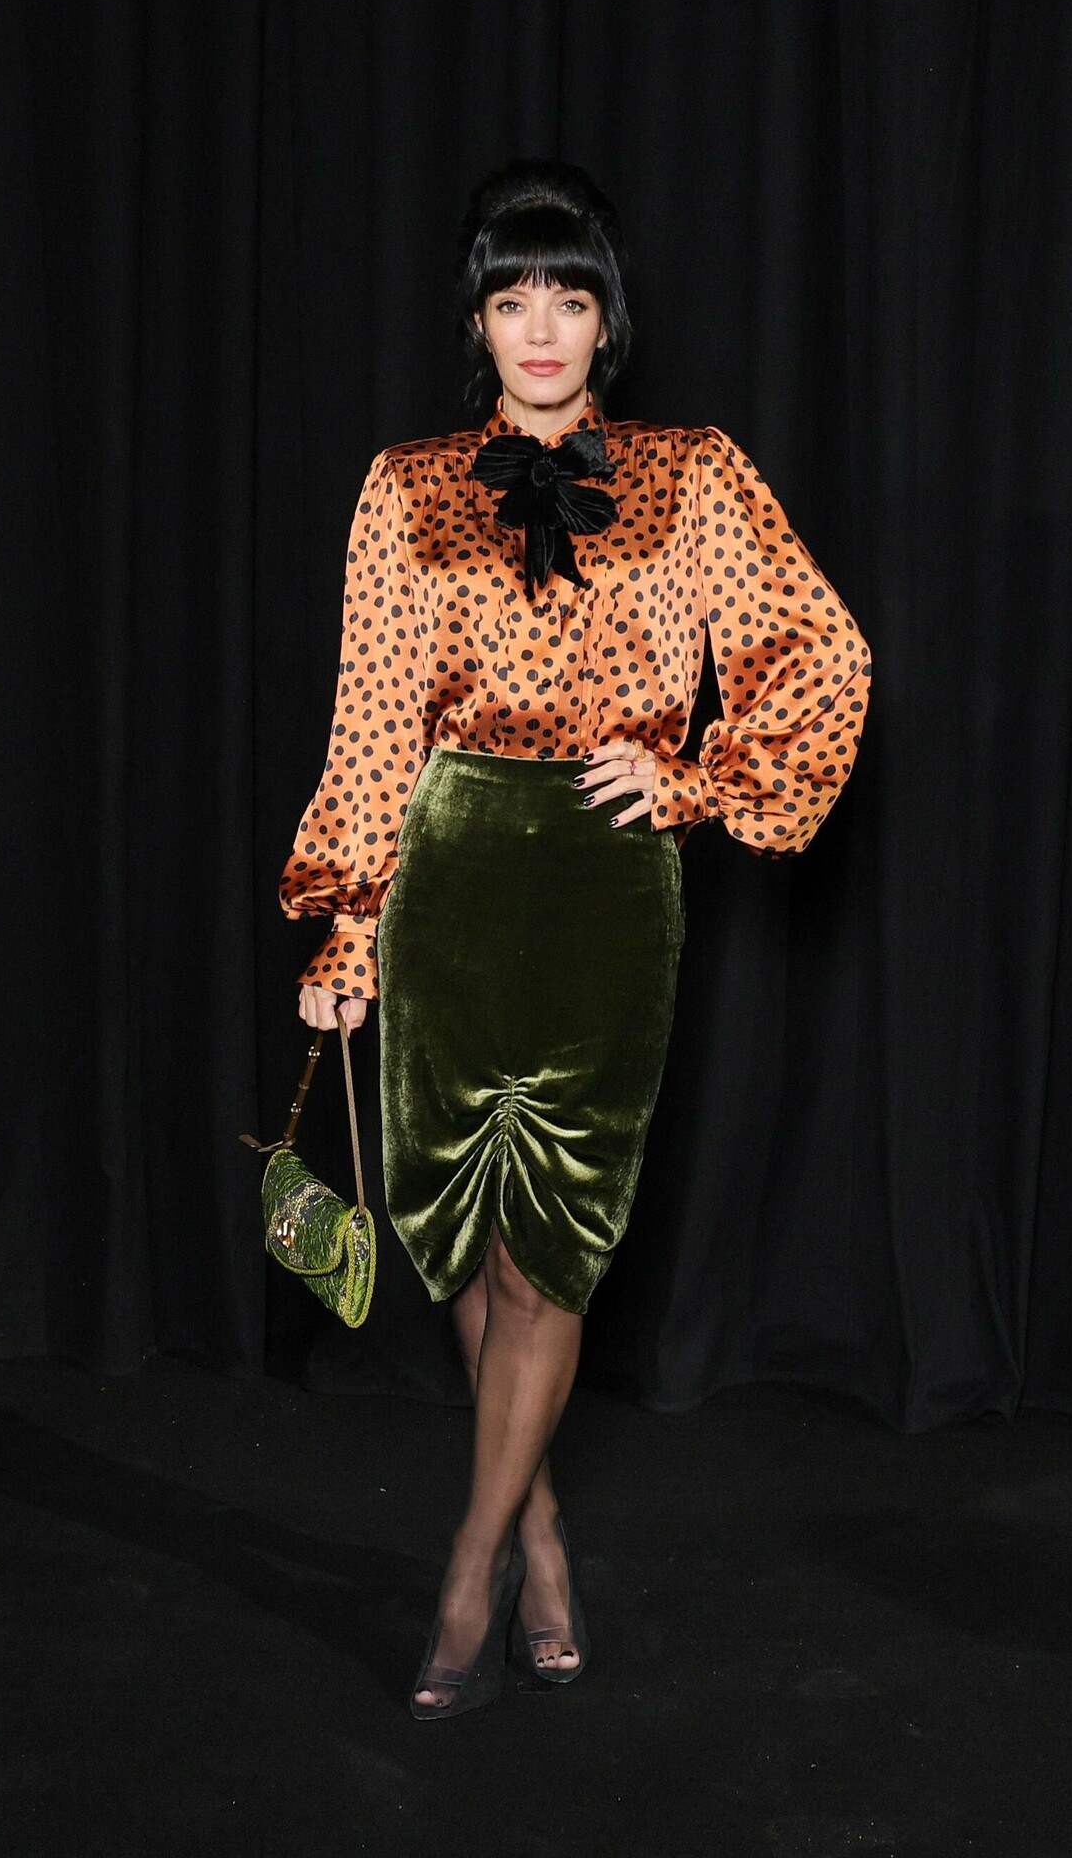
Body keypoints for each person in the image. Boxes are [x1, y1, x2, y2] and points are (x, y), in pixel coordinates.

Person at [277, 158, 871, 1720]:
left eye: (571, 296)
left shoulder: (694, 474)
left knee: (553, 1247)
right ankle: (539, 1524)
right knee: (461, 1245)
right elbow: (370, 722)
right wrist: (348, 929)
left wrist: (694, 780)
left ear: (609, 319)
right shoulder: (407, 486)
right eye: (512, 298)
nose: (542, 328)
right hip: (451, 879)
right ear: (478, 320)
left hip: (609, 892)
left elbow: (820, 656)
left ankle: (470, 1570)